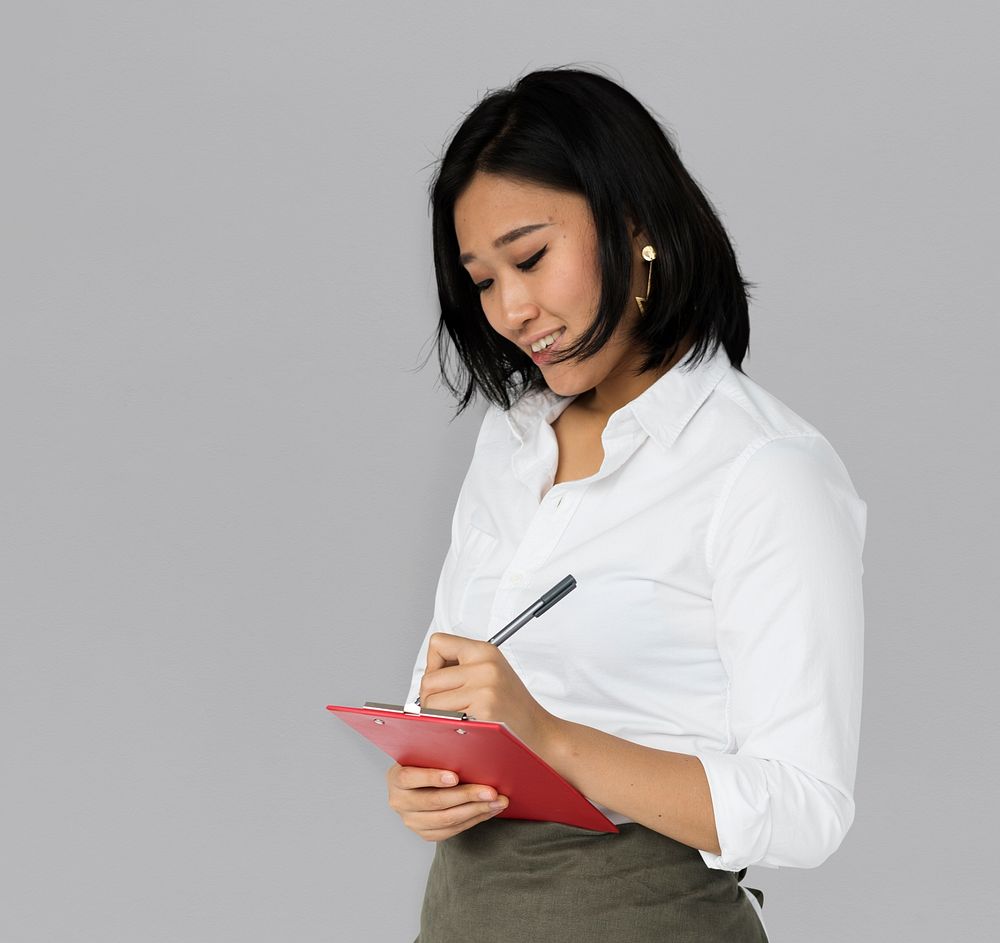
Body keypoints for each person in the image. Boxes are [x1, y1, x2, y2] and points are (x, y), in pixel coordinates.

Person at [386, 68, 866, 943]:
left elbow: (806, 807)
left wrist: (550, 737)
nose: (511, 310)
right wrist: (426, 773)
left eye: (529, 258)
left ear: (635, 225)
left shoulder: (763, 469)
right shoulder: (513, 441)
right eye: (483, 281)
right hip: (464, 916)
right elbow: (452, 696)